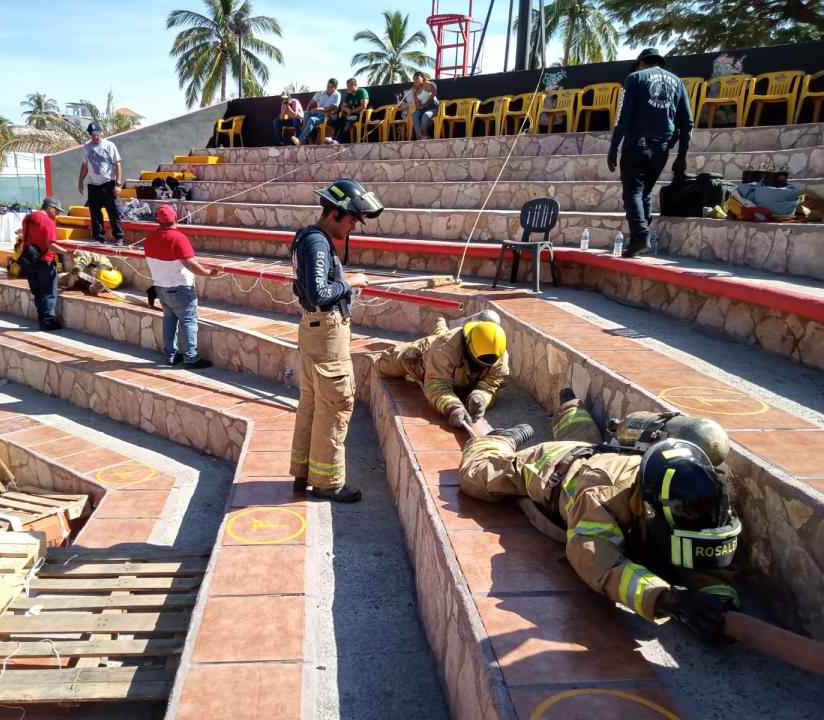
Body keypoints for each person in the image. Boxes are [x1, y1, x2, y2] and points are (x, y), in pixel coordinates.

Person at [458, 388, 742, 641]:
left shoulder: (688, 491)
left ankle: (570, 406)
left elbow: (703, 554)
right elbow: (597, 561)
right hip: (552, 466)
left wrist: (718, 601)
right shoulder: (600, 496)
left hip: (598, 454)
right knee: (477, 477)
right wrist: (671, 600)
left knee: (583, 439)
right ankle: (499, 440)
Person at [289, 178, 383, 503]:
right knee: (336, 404)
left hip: (314, 331)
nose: (355, 226)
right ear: (334, 214)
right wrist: (349, 283)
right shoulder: (317, 243)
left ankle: (304, 473)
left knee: (313, 403)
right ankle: (328, 484)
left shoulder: (307, 237)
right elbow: (319, 292)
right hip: (326, 333)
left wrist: (342, 282)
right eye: (352, 219)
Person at [607, 48, 693, 257]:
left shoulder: (635, 78)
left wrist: (613, 147)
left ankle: (640, 237)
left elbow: (622, 118)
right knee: (644, 192)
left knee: (633, 192)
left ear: (641, 63)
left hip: (637, 145)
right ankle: (641, 238)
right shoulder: (677, 82)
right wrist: (681, 156)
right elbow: (687, 122)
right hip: (662, 149)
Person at [377, 315, 508, 430]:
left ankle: (441, 328)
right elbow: (436, 384)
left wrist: (481, 398)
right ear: (468, 345)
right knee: (382, 366)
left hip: (452, 363)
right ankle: (439, 323)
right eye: (476, 363)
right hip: (424, 354)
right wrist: (453, 407)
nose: (479, 367)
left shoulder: (499, 356)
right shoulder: (444, 349)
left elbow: (491, 383)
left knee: (441, 336)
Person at [143, 204, 220, 368]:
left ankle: (171, 355)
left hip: (161, 288)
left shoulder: (150, 238)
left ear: (158, 220)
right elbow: (189, 263)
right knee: (188, 321)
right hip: (180, 288)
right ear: (176, 219)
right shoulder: (178, 238)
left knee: (169, 320)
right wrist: (207, 273)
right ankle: (191, 357)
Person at [19, 197, 71, 331]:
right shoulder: (48, 221)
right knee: (48, 292)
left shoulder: (28, 218)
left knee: (37, 292)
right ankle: (47, 321)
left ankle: (41, 318)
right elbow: (51, 244)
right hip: (45, 261)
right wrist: (67, 253)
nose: (57, 214)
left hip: (30, 260)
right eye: (57, 211)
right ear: (50, 208)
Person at [78, 122, 124, 246]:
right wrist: (80, 181)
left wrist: (118, 184)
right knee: (95, 213)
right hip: (93, 185)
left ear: (101, 133)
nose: (95, 137)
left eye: (97, 134)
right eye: (92, 135)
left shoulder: (109, 145)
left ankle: (119, 237)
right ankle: (99, 238)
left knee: (113, 212)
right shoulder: (86, 147)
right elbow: (84, 165)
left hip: (108, 183)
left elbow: (117, 164)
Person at [290, 79, 341, 146]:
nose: (329, 88)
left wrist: (317, 109)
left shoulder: (337, 95)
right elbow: (312, 102)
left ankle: (300, 140)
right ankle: (308, 140)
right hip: (319, 114)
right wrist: (308, 109)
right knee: (306, 114)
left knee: (312, 119)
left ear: (335, 88)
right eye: (328, 86)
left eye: (331, 87)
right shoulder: (321, 93)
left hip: (329, 116)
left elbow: (330, 108)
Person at [334, 78, 369, 143]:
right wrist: (347, 109)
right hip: (352, 115)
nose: (348, 88)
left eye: (349, 86)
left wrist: (351, 111)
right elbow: (342, 107)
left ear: (354, 85)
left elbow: (363, 106)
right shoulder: (349, 95)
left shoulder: (362, 92)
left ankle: (343, 142)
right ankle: (334, 139)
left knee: (346, 120)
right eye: (347, 86)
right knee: (339, 120)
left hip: (361, 115)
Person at [410, 72, 439, 140]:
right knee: (414, 115)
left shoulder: (427, 84)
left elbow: (434, 93)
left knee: (425, 115)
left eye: (417, 78)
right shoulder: (415, 90)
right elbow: (416, 104)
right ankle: (422, 136)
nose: (415, 80)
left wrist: (426, 103)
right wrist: (414, 94)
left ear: (422, 78)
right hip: (423, 109)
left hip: (433, 107)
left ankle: (422, 136)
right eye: (414, 79)